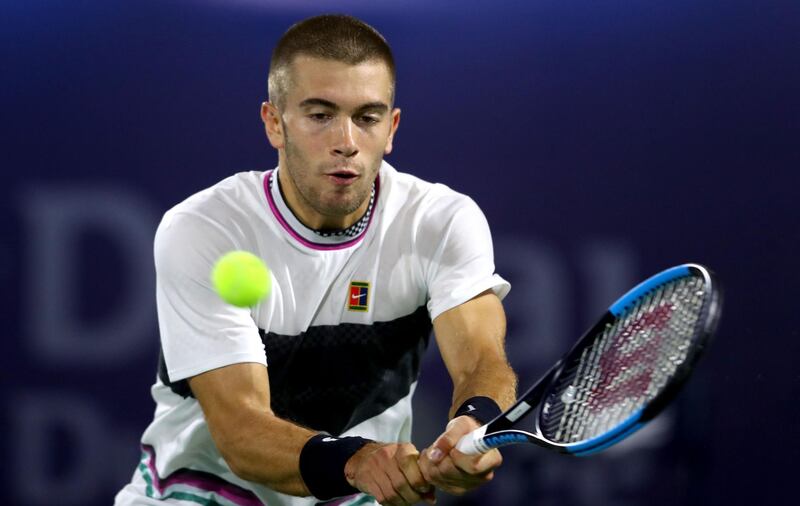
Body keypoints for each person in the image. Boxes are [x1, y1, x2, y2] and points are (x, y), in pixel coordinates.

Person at [115, 14, 517, 506]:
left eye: (367, 117)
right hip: (198, 495)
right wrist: (356, 461)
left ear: (391, 129)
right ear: (274, 124)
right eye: (320, 115)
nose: (346, 141)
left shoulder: (441, 221)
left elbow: (481, 357)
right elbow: (242, 432)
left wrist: (473, 422)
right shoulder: (205, 229)